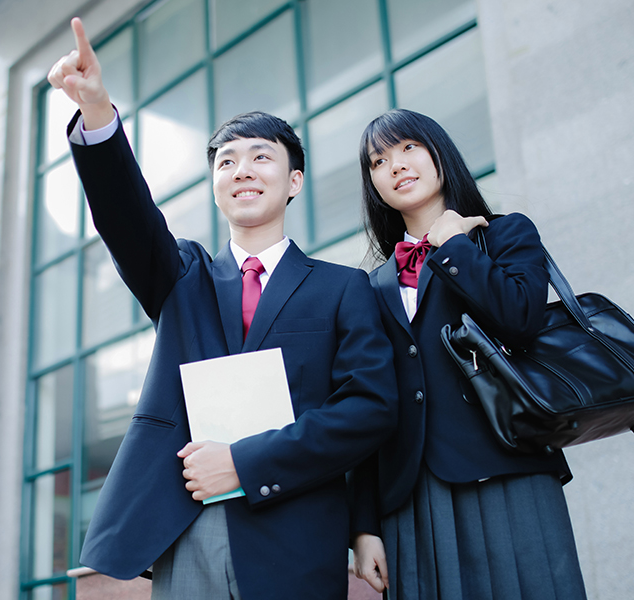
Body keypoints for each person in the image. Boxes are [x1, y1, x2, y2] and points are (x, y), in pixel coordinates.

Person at [47, 17, 397, 600]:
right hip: (188, 527)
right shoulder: (182, 276)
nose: (242, 171)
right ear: (215, 183)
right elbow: (125, 216)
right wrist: (99, 113)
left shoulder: (343, 289)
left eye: (261, 158)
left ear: (295, 181)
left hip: (296, 525)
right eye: (227, 161)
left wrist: (247, 462)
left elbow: (369, 410)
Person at [349, 108, 587, 599]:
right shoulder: (370, 285)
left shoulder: (504, 235)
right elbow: (368, 403)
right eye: (378, 161)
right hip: (412, 497)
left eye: (408, 148)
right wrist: (363, 525)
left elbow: (521, 320)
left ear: (440, 153)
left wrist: (456, 245)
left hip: (506, 470)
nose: (395, 165)